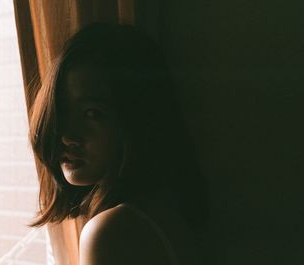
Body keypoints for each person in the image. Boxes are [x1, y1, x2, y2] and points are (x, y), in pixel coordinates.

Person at [28, 23, 206, 265]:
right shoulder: (163, 209)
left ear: (137, 120)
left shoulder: (112, 232)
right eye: (62, 111)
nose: (68, 136)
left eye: (92, 113)